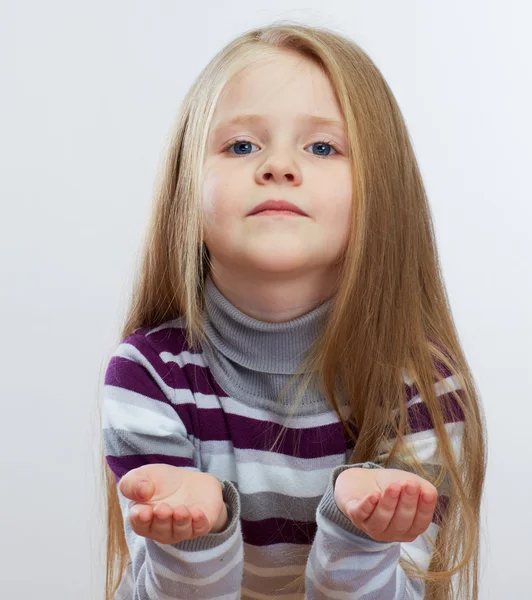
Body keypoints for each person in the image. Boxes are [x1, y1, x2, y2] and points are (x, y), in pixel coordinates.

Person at [100, 21, 487, 600]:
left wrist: (360, 541)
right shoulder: (148, 376)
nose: (278, 167)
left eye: (322, 147)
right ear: (187, 186)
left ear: (382, 189)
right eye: (241, 145)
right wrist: (191, 547)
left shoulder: (423, 388)